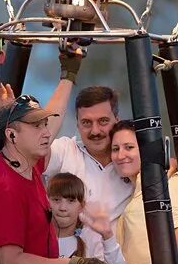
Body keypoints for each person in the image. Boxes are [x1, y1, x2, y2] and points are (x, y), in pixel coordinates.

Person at [0, 93, 115, 264]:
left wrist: (68, 76)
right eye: (37, 126)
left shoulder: (27, 166)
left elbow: (54, 123)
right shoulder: (4, 186)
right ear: (11, 135)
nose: (46, 133)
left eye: (45, 124)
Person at [41, 49, 135, 222]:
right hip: (69, 249)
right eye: (86, 123)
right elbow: (39, 139)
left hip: (118, 249)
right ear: (77, 124)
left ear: (117, 120)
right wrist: (68, 76)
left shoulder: (130, 160)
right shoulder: (65, 151)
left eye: (103, 121)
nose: (95, 131)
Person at [109, 120, 178, 264]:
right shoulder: (133, 193)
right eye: (115, 149)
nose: (120, 155)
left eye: (129, 147)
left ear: (145, 151)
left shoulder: (166, 180)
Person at [47, 172, 128, 264]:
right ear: (47, 202)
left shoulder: (91, 239)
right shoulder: (36, 237)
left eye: (71, 201)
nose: (63, 208)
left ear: (81, 206)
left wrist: (108, 235)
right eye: (56, 200)